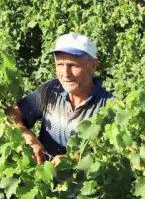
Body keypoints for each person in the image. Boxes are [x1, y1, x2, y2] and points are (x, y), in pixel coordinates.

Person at [6, 33, 114, 165]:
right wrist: (28, 138)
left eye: (73, 65)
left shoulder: (109, 106)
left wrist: (73, 160)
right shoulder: (51, 90)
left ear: (93, 66)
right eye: (60, 65)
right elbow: (13, 113)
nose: (65, 73)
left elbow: (114, 155)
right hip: (44, 180)